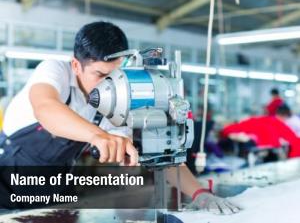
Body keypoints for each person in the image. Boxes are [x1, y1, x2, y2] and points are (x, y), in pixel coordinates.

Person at [0, 21, 240, 214]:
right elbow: (46, 109)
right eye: (99, 74)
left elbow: (157, 153)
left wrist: (200, 194)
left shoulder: (116, 99)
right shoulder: (55, 71)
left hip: (55, 187)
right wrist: (99, 136)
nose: (108, 84)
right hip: (8, 179)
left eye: (113, 75)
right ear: (76, 65)